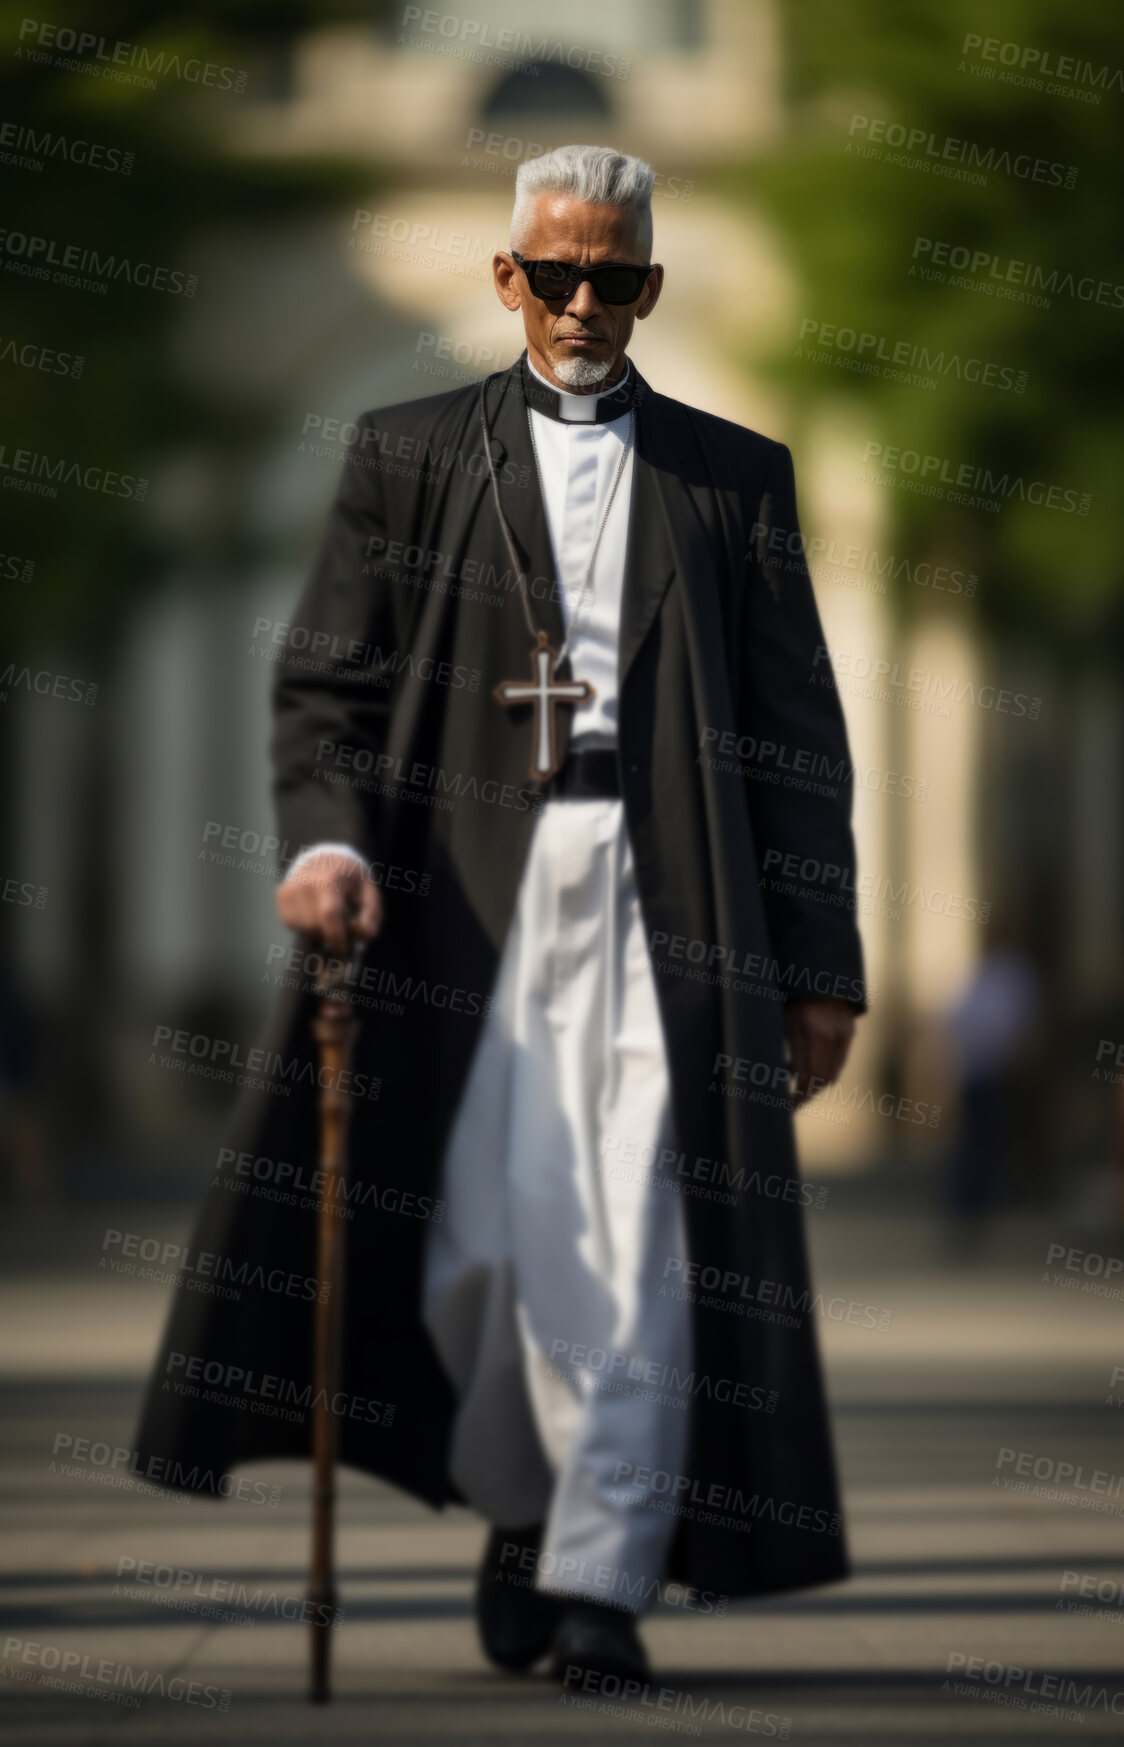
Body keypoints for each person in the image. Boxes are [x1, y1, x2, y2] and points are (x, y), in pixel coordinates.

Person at [136, 144, 866, 1683]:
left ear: (651, 288)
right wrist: (325, 846)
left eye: (614, 277)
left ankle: (600, 1577)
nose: (582, 302)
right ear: (506, 277)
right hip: (464, 907)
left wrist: (819, 969)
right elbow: (327, 682)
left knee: (638, 1239)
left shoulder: (737, 479)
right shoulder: (405, 453)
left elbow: (798, 739)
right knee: (477, 1244)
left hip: (673, 903)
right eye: (554, 274)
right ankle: (525, 1509)